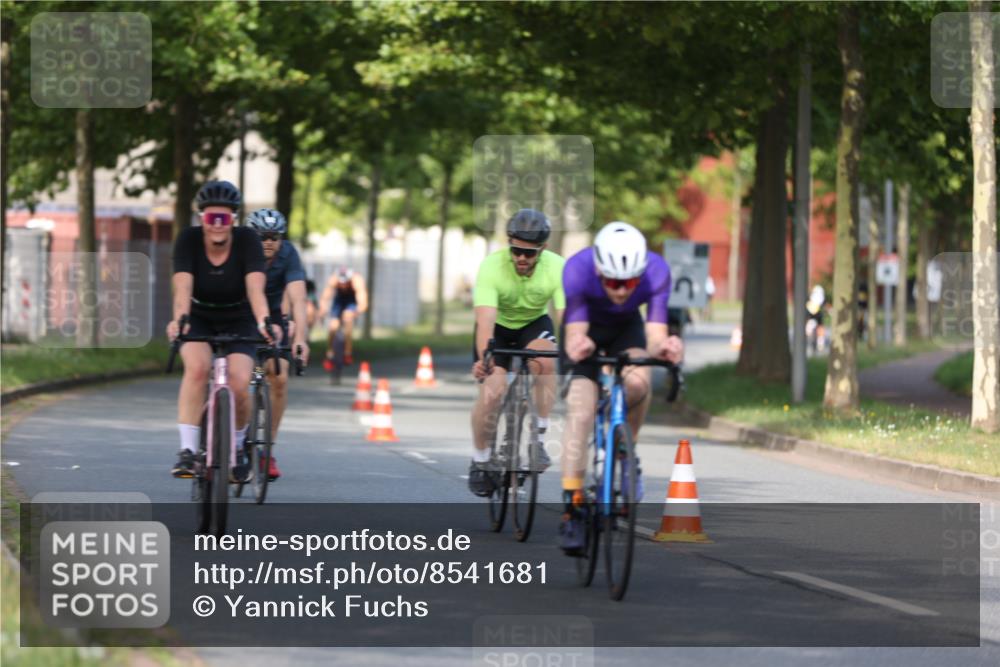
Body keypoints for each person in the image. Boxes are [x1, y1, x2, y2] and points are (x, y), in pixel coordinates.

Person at [557, 221, 684, 555]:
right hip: (586, 329)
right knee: (581, 410)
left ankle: (626, 451)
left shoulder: (657, 271)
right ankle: (572, 505)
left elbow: (655, 335)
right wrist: (577, 346)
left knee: (639, 381)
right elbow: (575, 332)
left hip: (627, 328)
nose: (622, 291)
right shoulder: (578, 270)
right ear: (600, 271)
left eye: (629, 282)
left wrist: (666, 347)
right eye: (613, 282)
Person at [167, 181, 281, 481]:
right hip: (199, 315)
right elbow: (182, 289)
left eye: (225, 219)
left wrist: (264, 322)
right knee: (197, 368)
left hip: (239, 316)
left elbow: (256, 290)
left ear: (234, 220)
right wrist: (180, 320)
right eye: (211, 218)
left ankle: (239, 446)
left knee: (240, 381)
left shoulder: (247, 241)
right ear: (201, 219)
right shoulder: (188, 241)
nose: (217, 226)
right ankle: (189, 452)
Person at [468, 209, 565, 497]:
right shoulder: (492, 266)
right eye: (516, 251)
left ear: (542, 249)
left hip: (533, 325)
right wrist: (485, 358)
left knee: (547, 358)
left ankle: (537, 440)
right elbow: (485, 321)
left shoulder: (558, 267)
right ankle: (481, 459)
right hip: (497, 328)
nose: (522, 258)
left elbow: (566, 316)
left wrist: (575, 349)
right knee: (493, 391)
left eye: (529, 253)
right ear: (509, 244)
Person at [244, 208, 311, 481]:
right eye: (262, 236)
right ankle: (228, 437)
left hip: (273, 320)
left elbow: (298, 300)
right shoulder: (242, 251)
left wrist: (300, 340)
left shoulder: (289, 254)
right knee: (237, 378)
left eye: (275, 236)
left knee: (279, 377)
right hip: (239, 318)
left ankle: (266, 450)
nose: (269, 241)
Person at [319, 266, 368, 368]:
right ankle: (330, 353)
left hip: (351, 300)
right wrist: (323, 309)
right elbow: (325, 297)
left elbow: (363, 303)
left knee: (348, 318)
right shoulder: (333, 279)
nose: (344, 286)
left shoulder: (357, 280)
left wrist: (356, 312)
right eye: (341, 283)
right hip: (339, 301)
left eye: (346, 283)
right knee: (333, 327)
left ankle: (347, 352)